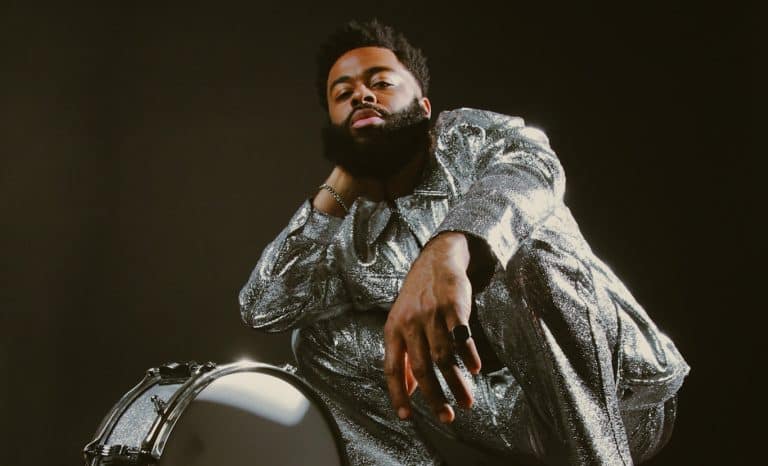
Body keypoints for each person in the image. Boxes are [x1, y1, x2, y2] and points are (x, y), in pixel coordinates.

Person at [239, 19, 689, 465]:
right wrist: (338, 185)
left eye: (381, 82)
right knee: (316, 338)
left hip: (618, 403)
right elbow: (263, 307)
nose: (362, 95)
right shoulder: (351, 236)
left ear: (423, 107)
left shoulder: (467, 137)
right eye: (344, 94)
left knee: (527, 255)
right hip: (501, 415)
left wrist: (452, 245)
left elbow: (533, 164)